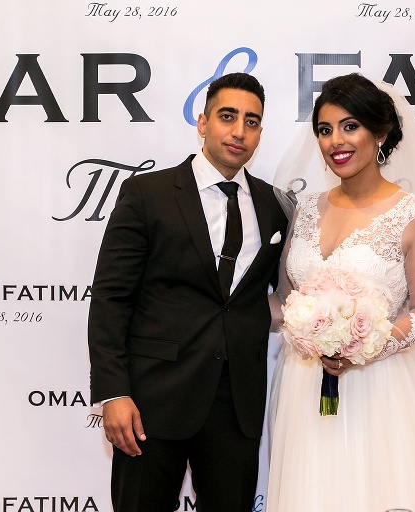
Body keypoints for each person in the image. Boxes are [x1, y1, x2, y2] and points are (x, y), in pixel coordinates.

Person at [266, 73, 415, 511]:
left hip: (379, 386)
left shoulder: (414, 215)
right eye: (325, 129)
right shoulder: (307, 209)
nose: (336, 140)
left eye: (350, 126)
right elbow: (287, 298)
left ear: (381, 132)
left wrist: (363, 346)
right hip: (305, 384)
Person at [88, 72, 289, 512]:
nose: (239, 131)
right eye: (227, 116)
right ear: (202, 123)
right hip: (152, 401)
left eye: (252, 121)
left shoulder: (274, 206)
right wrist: (113, 393)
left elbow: (277, 295)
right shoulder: (147, 194)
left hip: (236, 405)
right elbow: (110, 298)